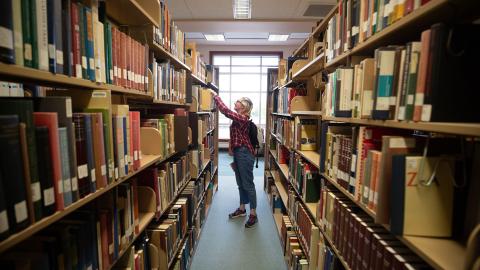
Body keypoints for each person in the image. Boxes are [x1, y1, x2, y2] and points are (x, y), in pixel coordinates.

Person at [209, 89, 258, 228]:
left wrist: (216, 96)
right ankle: (242, 209)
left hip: (245, 154)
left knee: (248, 184)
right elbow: (235, 136)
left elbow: (225, 111)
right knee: (240, 183)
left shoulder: (243, 118)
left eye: (237, 101)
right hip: (238, 152)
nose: (235, 103)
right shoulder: (239, 118)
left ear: (243, 106)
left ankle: (253, 213)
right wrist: (231, 148)